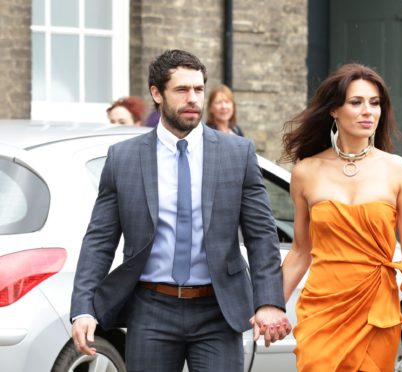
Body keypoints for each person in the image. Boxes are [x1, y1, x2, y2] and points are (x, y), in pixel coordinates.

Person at [70, 49, 290, 372]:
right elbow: (100, 240)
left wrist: (269, 301)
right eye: (182, 90)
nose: (193, 99)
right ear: (157, 94)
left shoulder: (237, 154)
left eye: (199, 89)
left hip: (218, 309)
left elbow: (261, 235)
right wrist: (83, 308)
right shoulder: (123, 159)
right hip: (150, 309)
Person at [280, 63, 402, 371]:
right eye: (356, 102)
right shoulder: (305, 172)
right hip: (323, 307)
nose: (367, 111)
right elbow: (300, 250)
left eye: (375, 103)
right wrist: (272, 305)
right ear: (334, 109)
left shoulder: (398, 170)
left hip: (376, 307)